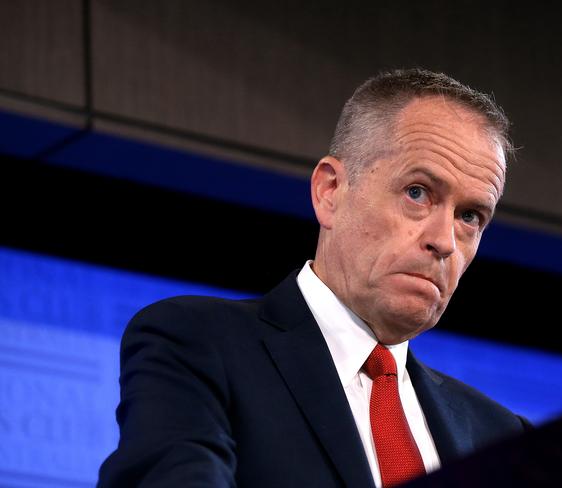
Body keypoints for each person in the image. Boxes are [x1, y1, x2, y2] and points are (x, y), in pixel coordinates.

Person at [98, 68, 531, 488]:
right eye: (417, 192)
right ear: (330, 191)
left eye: (470, 216)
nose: (444, 241)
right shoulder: (196, 342)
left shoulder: (502, 436)